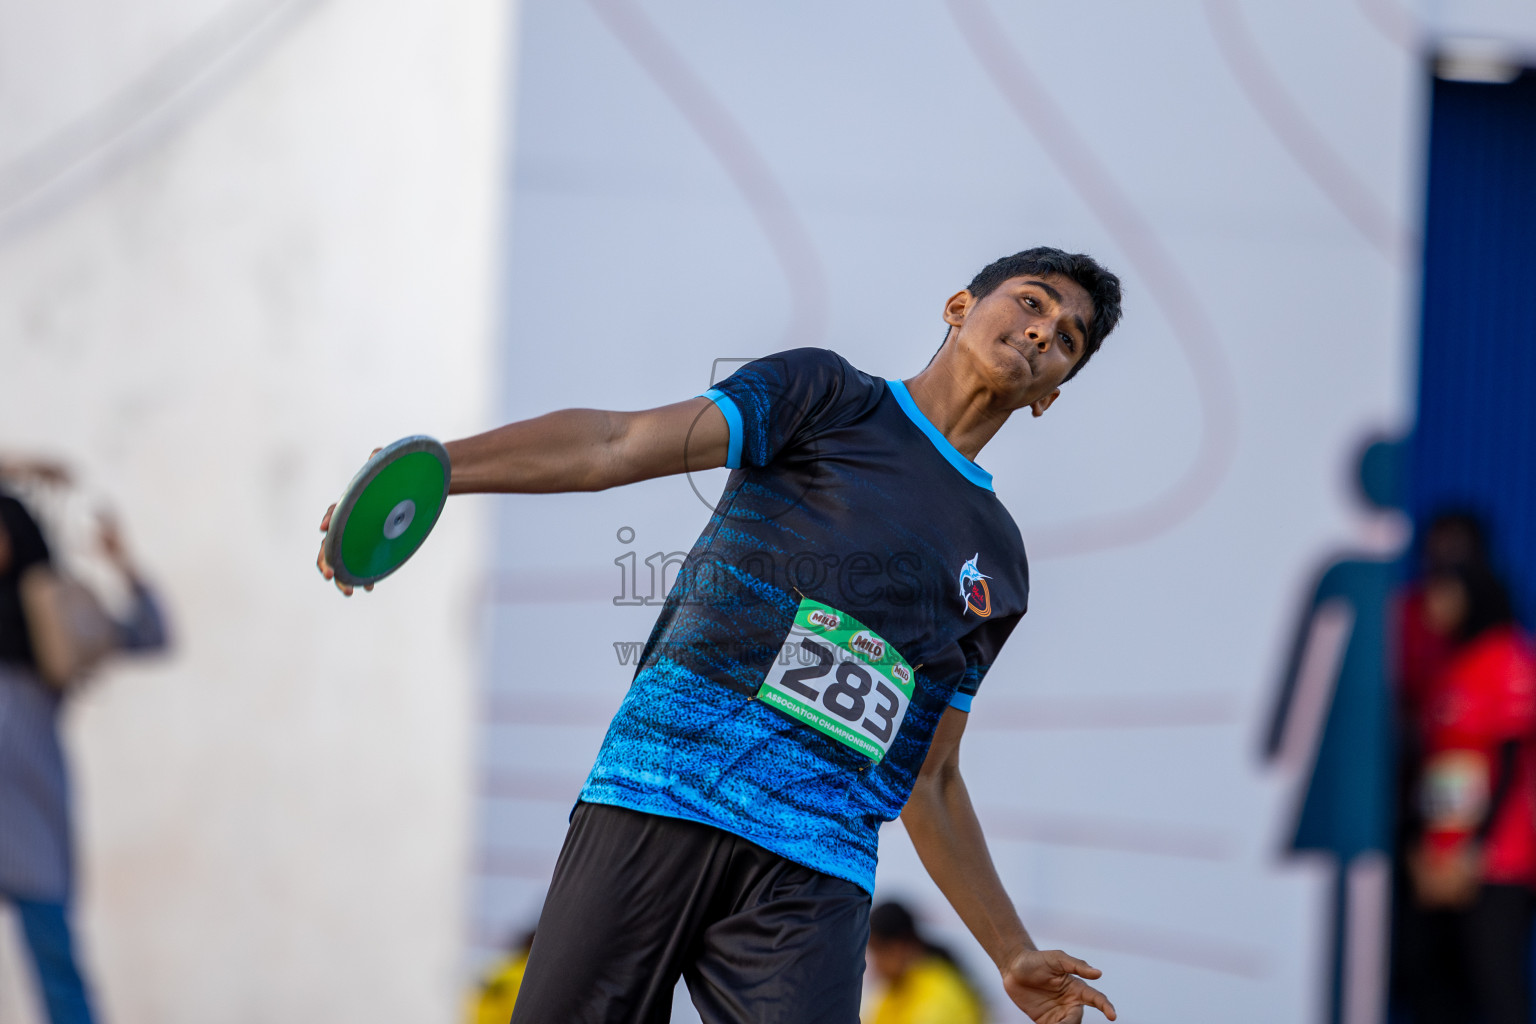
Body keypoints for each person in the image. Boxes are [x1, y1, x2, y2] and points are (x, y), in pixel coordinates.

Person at [319, 247, 1123, 1023]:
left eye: (1068, 339)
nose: (1044, 332)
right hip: (660, 791)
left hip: (815, 866)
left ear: (1050, 394)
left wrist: (1011, 949)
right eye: (1031, 301)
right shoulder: (829, 394)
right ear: (959, 309)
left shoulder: (1002, 566)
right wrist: (432, 470)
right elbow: (614, 444)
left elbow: (932, 777)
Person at [0, 471, 170, 1024]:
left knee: (58, 975)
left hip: (29, 820)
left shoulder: (51, 613)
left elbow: (151, 632)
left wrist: (122, 562)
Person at [1398, 561, 1536, 1024]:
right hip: (1443, 849)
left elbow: (1513, 761)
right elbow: (1438, 770)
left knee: (1493, 979)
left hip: (1497, 856)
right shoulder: (1449, 664)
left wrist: (1477, 847)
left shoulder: (1507, 657)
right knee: (1427, 973)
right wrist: (1426, 842)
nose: (1432, 604)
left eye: (1443, 592)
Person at [864, 901, 986, 1024]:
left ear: (903, 945)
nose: (875, 963)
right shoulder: (892, 993)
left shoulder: (939, 992)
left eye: (878, 950)